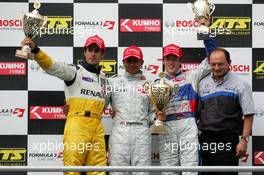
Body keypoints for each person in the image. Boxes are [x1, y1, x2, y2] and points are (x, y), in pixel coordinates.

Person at [22, 35, 108, 175]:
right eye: (90, 49)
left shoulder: (104, 78)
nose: (93, 53)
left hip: (97, 128)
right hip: (77, 126)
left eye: (96, 51)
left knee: (99, 171)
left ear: (102, 54)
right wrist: (36, 50)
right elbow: (53, 66)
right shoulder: (75, 71)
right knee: (72, 169)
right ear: (84, 52)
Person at [157, 37, 216, 175]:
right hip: (167, 126)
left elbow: (211, 57)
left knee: (190, 169)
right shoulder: (156, 81)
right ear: (163, 61)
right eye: (168, 58)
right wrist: (156, 116)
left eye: (174, 59)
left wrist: (207, 36)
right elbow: (150, 108)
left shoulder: (192, 76)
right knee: (168, 170)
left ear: (180, 60)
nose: (171, 62)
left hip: (187, 124)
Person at [197, 48, 254, 175]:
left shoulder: (241, 84)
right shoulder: (202, 83)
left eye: (220, 64)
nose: (216, 68)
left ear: (229, 63)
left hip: (227, 139)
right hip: (205, 139)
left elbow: (249, 115)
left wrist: (244, 140)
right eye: (213, 64)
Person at [107, 45, 155, 175]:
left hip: (142, 133)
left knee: (142, 173)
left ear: (142, 62)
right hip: (120, 132)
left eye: (135, 61)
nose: (132, 64)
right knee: (117, 172)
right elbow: (98, 103)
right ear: (123, 62)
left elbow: (152, 111)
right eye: (129, 61)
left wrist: (157, 118)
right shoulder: (112, 82)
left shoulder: (150, 84)